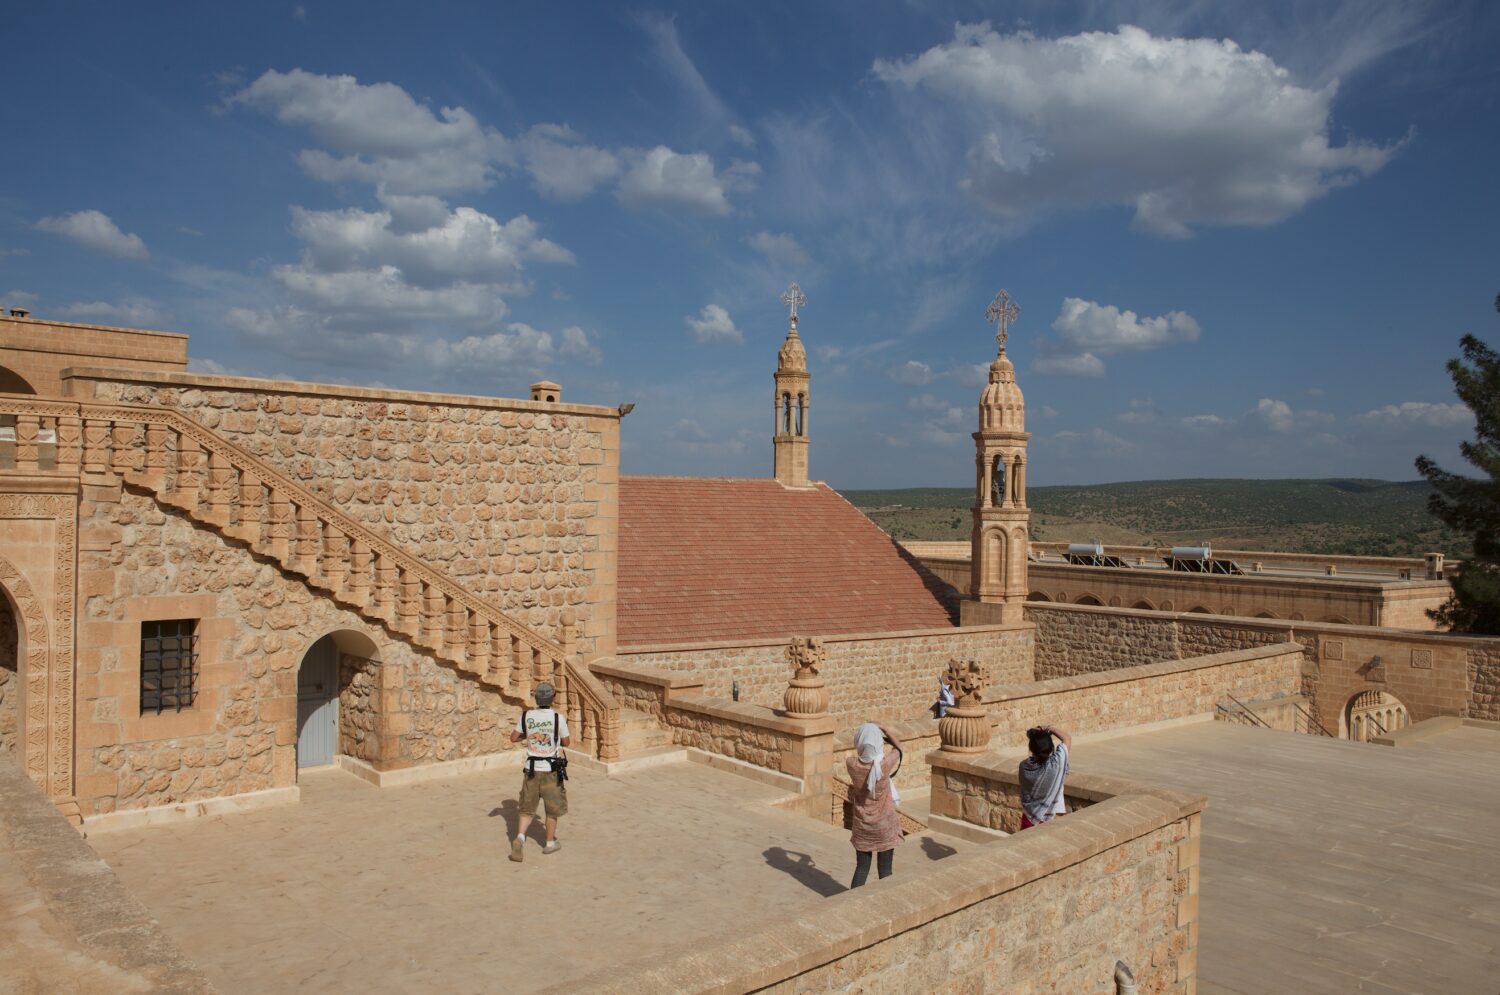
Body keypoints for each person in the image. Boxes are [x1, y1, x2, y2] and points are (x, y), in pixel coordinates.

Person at [508, 681, 570, 862]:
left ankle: (520, 837)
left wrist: (527, 734)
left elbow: (513, 738)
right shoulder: (558, 718)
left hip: (531, 769)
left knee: (527, 808)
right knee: (552, 809)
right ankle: (549, 843)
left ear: (536, 698)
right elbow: (566, 742)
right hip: (550, 770)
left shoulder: (527, 716)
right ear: (553, 698)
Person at [845, 722, 903, 888]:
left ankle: (853, 903)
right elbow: (899, 748)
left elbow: (861, 755)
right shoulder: (884, 765)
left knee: (861, 868)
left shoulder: (852, 764)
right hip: (885, 825)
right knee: (885, 871)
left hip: (863, 825)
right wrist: (886, 731)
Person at [1018, 724, 1071, 830]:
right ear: (1051, 747)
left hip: (1028, 820)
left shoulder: (1024, 767)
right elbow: (1067, 738)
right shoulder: (1057, 765)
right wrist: (1050, 728)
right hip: (1049, 822)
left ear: (1031, 749)